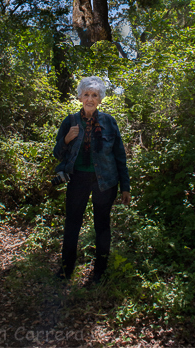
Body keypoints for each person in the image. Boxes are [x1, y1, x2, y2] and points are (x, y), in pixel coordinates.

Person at [53, 75, 130, 283]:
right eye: (86, 94)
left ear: (100, 99)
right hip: (77, 179)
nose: (90, 98)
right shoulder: (70, 121)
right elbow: (57, 153)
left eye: (94, 95)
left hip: (105, 181)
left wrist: (125, 186)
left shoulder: (109, 122)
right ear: (80, 97)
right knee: (72, 224)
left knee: (102, 226)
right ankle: (66, 269)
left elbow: (120, 155)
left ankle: (100, 272)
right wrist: (67, 139)